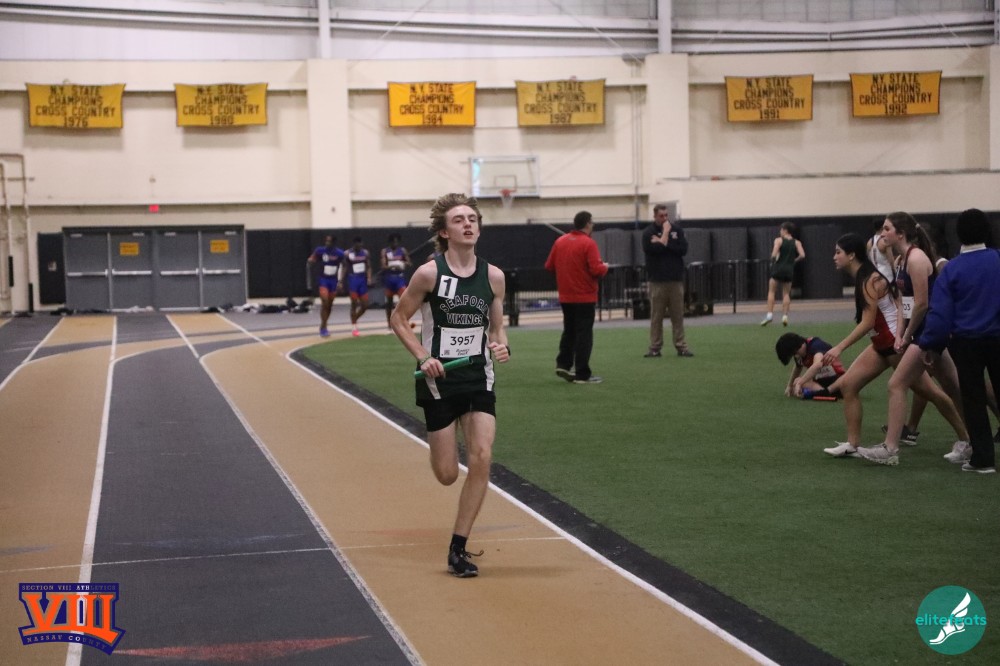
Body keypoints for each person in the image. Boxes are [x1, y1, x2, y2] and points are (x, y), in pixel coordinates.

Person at [389, 193, 511, 576]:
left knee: (481, 456)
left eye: (472, 219)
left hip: (477, 377)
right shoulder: (429, 274)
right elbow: (398, 318)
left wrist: (501, 344)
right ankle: (441, 443)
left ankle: (458, 548)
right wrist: (422, 356)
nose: (468, 224)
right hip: (438, 382)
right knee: (447, 474)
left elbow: (497, 327)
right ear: (444, 232)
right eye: (459, 220)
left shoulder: (493, 277)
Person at [819, 234, 958, 459]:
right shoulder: (863, 277)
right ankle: (852, 444)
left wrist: (839, 348)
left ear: (851, 255)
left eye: (838, 252)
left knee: (931, 392)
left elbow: (867, 323)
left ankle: (967, 438)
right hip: (880, 345)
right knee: (849, 386)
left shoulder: (870, 279)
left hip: (895, 344)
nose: (834, 257)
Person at [857, 212, 968, 466]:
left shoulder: (917, 259)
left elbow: (922, 304)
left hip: (930, 333)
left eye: (887, 228)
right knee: (953, 388)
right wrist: (899, 333)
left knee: (896, 384)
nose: (882, 233)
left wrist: (906, 336)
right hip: (921, 333)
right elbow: (902, 303)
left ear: (901, 233)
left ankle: (890, 448)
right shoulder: (900, 260)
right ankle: (971, 439)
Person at [918, 208, 1000, 474]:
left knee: (973, 399)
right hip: (997, 337)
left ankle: (983, 459)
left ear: (959, 235)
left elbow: (940, 313)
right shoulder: (997, 260)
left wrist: (931, 344)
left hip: (966, 342)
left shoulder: (952, 269)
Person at [544, 211, 609, 384]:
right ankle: (582, 373)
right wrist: (605, 267)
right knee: (584, 334)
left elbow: (549, 266)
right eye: (592, 222)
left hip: (566, 296)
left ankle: (563, 364)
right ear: (587, 224)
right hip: (585, 297)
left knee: (569, 331)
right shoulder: (588, 243)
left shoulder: (560, 241)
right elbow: (596, 269)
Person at [642, 203, 693, 357]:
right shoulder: (648, 232)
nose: (664, 218)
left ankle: (681, 346)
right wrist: (664, 234)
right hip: (657, 281)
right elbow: (654, 250)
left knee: (678, 316)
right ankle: (655, 348)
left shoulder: (677, 230)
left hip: (675, 280)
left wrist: (663, 241)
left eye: (666, 215)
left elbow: (683, 249)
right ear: (654, 216)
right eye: (661, 216)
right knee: (656, 317)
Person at [761, 222, 805, 327]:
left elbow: (774, 254)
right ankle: (785, 316)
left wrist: (773, 260)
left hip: (778, 268)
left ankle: (769, 315)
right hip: (789, 269)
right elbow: (802, 255)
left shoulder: (779, 240)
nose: (780, 232)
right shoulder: (797, 242)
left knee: (772, 291)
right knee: (786, 293)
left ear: (785, 230)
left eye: (781, 230)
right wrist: (794, 261)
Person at [775, 332, 844, 398]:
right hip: (821, 380)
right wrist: (789, 386)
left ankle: (827, 392)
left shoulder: (816, 345)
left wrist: (800, 383)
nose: (795, 356)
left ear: (796, 348)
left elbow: (817, 365)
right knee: (796, 382)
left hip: (837, 380)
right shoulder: (799, 353)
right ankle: (824, 392)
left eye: (794, 353)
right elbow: (798, 367)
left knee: (799, 382)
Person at [306, 235, 345, 337]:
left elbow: (343, 266)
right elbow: (313, 257)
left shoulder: (339, 253)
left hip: (333, 281)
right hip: (323, 279)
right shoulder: (320, 250)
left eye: (329, 241)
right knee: (325, 301)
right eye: (326, 241)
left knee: (329, 305)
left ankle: (324, 324)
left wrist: (340, 281)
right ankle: (324, 327)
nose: (327, 243)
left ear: (334, 243)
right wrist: (311, 260)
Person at [381, 233, 412, 327]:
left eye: (396, 242)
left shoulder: (402, 250)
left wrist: (402, 263)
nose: (395, 244)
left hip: (399, 278)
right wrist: (393, 265)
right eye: (393, 242)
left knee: (403, 300)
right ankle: (389, 324)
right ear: (390, 242)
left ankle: (404, 322)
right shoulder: (385, 251)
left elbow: (409, 263)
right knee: (389, 303)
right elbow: (383, 266)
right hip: (389, 278)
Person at [344, 236, 372, 337]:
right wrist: (340, 281)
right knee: (354, 303)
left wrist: (369, 278)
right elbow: (344, 267)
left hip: (362, 280)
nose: (359, 246)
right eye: (357, 244)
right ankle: (354, 326)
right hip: (353, 280)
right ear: (354, 244)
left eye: (360, 244)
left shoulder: (365, 253)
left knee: (365, 305)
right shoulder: (348, 253)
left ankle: (354, 319)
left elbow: (368, 266)